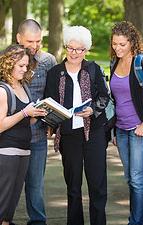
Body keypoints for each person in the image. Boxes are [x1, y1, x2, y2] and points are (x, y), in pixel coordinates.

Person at [0, 19, 56, 225]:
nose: (35, 46)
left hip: (35, 135)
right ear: (18, 38)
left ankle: (38, 222)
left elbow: (52, 95)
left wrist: (51, 121)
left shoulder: (48, 61)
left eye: (39, 41)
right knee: (4, 190)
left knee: (33, 186)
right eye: (30, 41)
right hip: (7, 138)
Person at [44, 26, 109, 225]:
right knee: (73, 187)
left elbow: (104, 96)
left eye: (79, 49)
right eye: (70, 48)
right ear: (65, 48)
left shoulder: (94, 69)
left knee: (97, 186)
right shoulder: (55, 73)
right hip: (69, 135)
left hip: (94, 133)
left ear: (86, 51)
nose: (74, 53)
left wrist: (93, 110)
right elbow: (49, 102)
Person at [108, 21, 143, 224]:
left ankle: (135, 221)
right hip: (121, 130)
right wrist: (114, 130)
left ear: (132, 42)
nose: (118, 48)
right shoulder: (114, 63)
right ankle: (134, 218)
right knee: (130, 179)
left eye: (122, 44)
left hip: (138, 129)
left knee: (138, 180)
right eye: (115, 44)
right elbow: (115, 101)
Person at [0, 44, 47, 225]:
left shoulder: (23, 86)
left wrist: (40, 114)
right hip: (5, 152)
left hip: (24, 150)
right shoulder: (1, 90)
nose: (24, 69)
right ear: (9, 64)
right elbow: (0, 125)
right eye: (20, 66)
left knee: (11, 203)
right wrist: (25, 113)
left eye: (26, 65)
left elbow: (26, 120)